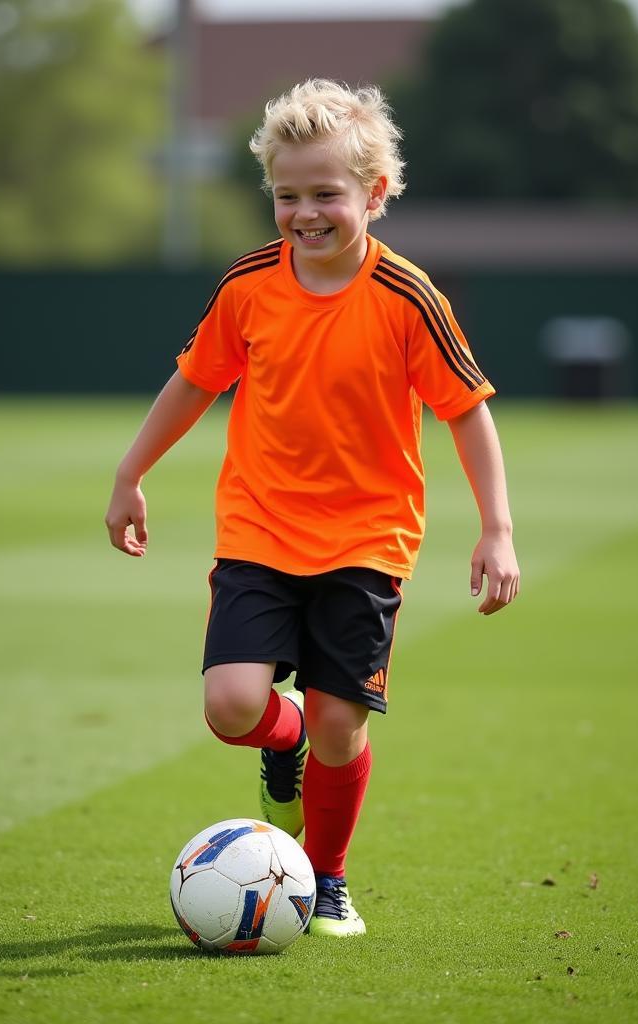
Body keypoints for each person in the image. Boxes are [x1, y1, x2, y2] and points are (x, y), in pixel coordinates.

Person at [106, 79, 519, 938]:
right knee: (231, 707)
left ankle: (325, 880)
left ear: (375, 192)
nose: (305, 213)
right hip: (260, 528)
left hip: (367, 541)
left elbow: (467, 410)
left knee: (342, 724)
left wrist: (498, 529)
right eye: (286, 195)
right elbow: (195, 382)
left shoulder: (409, 298)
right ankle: (278, 745)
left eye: (325, 193)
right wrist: (130, 471)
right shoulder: (250, 285)